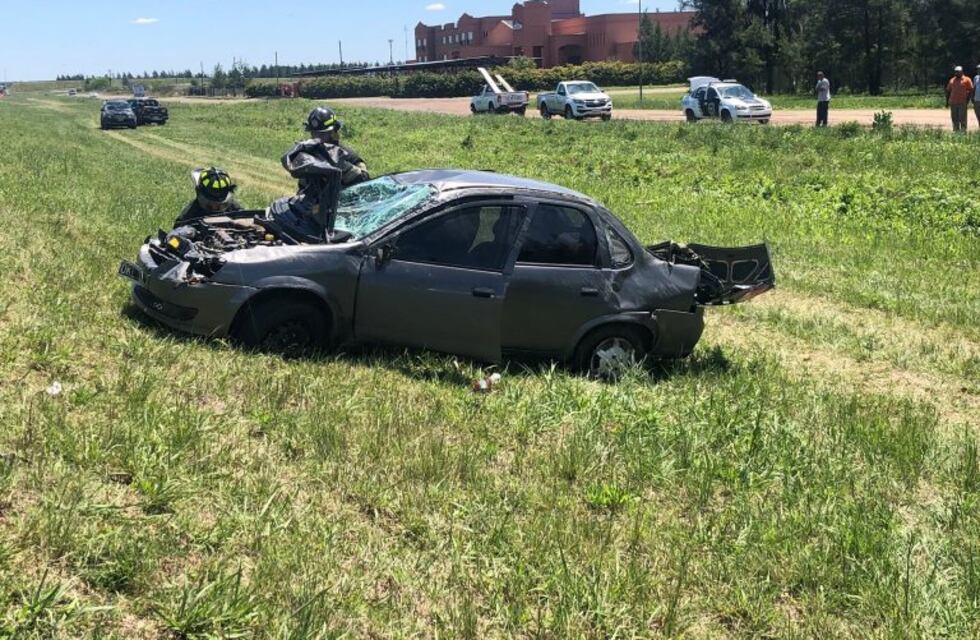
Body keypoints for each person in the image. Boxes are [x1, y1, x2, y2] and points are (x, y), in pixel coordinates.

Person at [297, 106, 369, 187]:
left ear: (333, 132)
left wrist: (342, 165)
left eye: (322, 134)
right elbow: (302, 187)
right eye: (314, 133)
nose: (316, 137)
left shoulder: (347, 155)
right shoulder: (312, 155)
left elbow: (365, 181)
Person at [174, 167, 243, 225]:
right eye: (210, 205)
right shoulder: (191, 212)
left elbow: (245, 217)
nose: (215, 209)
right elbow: (178, 228)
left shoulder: (234, 207)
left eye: (220, 206)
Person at [946, 66, 974, 133]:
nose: (956, 73)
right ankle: (956, 130)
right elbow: (948, 91)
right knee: (954, 117)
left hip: (962, 102)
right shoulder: (952, 80)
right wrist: (947, 102)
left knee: (962, 118)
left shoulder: (967, 79)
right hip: (953, 102)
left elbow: (971, 90)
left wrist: (968, 100)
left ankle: (963, 131)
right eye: (956, 71)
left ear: (962, 72)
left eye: (958, 71)